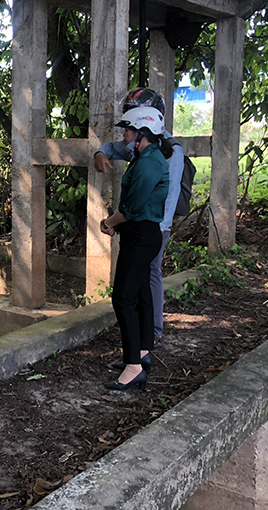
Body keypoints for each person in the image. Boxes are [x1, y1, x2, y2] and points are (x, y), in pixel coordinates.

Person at [93, 87, 184, 347]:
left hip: (153, 224)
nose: (125, 133)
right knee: (141, 279)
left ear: (144, 124)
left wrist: (114, 222)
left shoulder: (167, 153)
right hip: (136, 224)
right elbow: (113, 147)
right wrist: (100, 154)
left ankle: (153, 332)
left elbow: (162, 197)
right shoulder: (141, 146)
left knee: (148, 274)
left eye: (130, 124)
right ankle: (144, 339)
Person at [99, 106, 169, 391]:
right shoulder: (145, 157)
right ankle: (141, 352)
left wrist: (109, 222)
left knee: (123, 299)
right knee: (140, 295)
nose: (124, 136)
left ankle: (133, 367)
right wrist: (120, 223)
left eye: (127, 130)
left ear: (142, 132)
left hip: (141, 235)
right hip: (139, 233)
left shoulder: (150, 162)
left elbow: (133, 207)